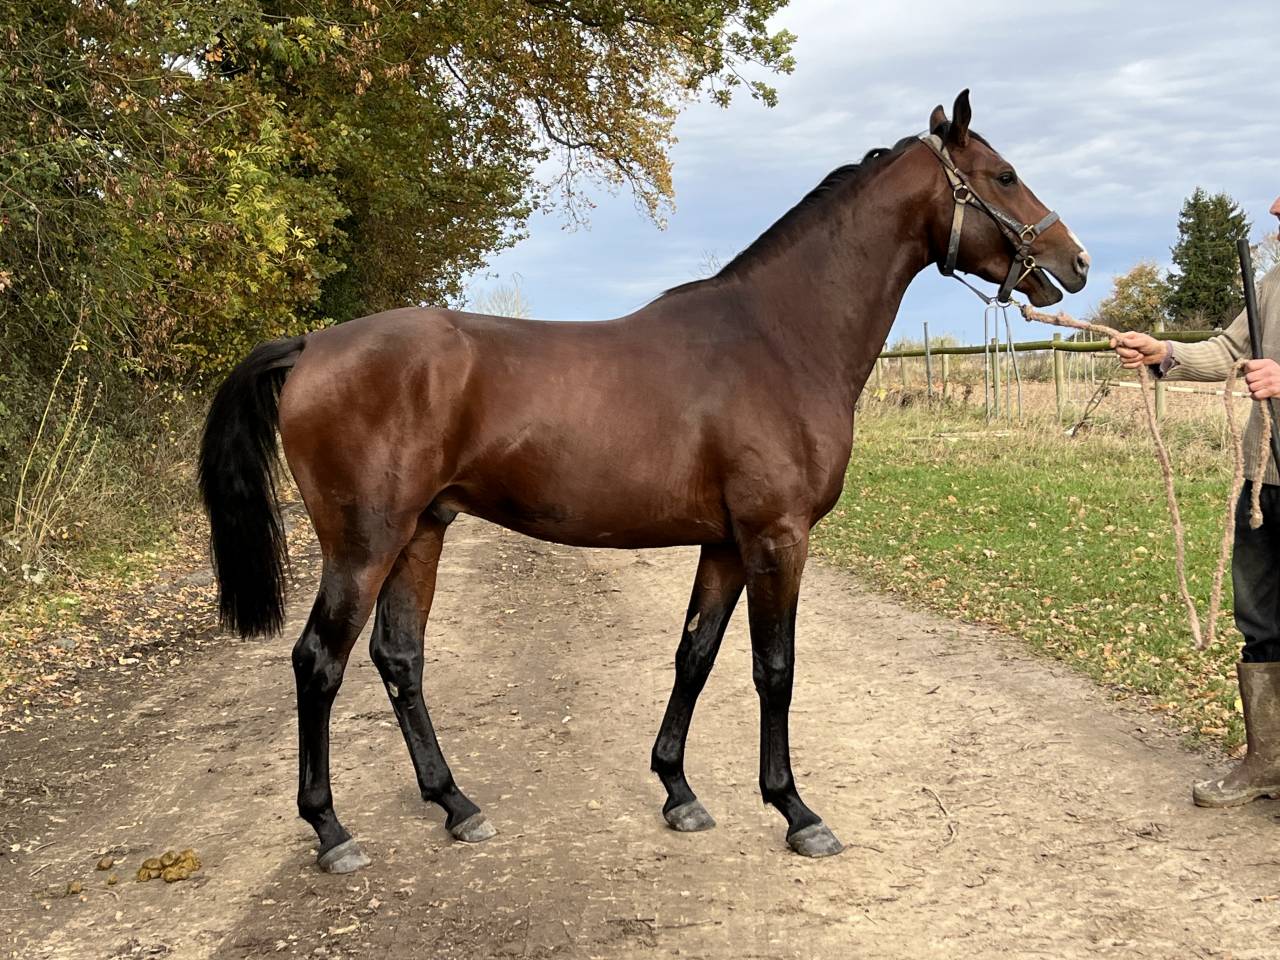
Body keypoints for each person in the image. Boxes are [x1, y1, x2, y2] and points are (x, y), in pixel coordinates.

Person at [1112, 194, 1280, 807]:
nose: (1275, 207)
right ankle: (1268, 762)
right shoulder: (1274, 281)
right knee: (1262, 625)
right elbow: (1231, 352)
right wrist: (1167, 354)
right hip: (1266, 484)